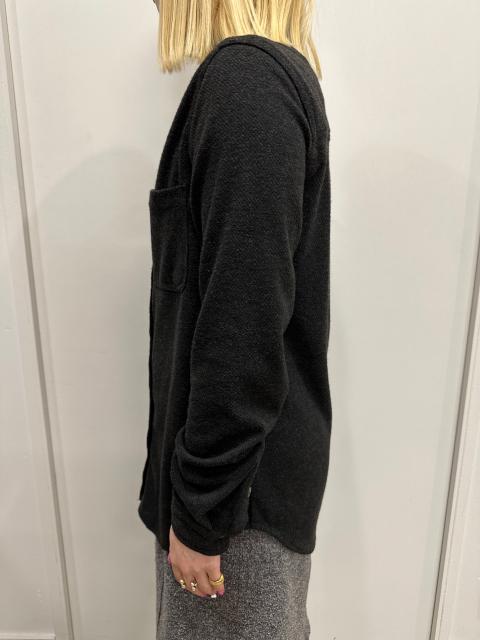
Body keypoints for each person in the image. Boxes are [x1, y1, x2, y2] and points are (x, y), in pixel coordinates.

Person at [137, 1, 332, 637]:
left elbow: (243, 328)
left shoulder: (247, 87)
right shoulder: (253, 84)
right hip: (237, 505)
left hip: (235, 518)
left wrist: (202, 509)